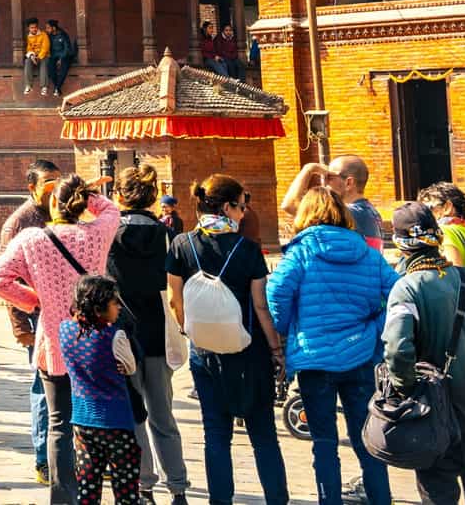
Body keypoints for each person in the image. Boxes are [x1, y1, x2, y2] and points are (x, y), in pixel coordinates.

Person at [0, 173, 121, 505]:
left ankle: (62, 498)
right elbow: (111, 210)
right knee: (93, 424)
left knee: (59, 425)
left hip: (54, 347)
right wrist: (88, 192)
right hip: (94, 347)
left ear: (52, 203)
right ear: (78, 204)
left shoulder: (32, 239)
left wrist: (34, 300)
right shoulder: (96, 234)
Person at [266, 186, 397, 505]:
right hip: (360, 356)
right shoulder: (366, 252)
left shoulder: (300, 251)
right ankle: (381, 499)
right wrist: (374, 329)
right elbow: (398, 295)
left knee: (323, 443)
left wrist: (286, 329)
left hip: (314, 360)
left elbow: (276, 293)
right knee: (366, 439)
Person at [167, 174, 288, 505]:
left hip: (205, 352)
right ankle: (277, 499)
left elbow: (176, 301)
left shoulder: (181, 244)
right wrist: (277, 350)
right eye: (241, 206)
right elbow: (261, 306)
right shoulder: (247, 250)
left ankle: (220, 501)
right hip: (250, 352)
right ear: (226, 207)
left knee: (216, 434)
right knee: (263, 435)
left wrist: (192, 331)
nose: (243, 212)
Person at [384, 202, 465, 505]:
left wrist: (407, 390)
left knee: (439, 497)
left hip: (436, 421)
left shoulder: (407, 288)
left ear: (400, 244)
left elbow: (398, 350)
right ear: (437, 236)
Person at [107, 163, 189, 505]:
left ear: (120, 195)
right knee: (163, 416)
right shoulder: (168, 233)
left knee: (134, 416)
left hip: (122, 335)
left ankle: (144, 485)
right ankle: (179, 487)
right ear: (154, 196)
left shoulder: (108, 233)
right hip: (159, 333)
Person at [0, 159, 62, 487]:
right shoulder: (20, 223)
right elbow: (4, 277)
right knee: (42, 389)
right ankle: (42, 458)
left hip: (68, 316)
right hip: (37, 319)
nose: (54, 186)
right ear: (32, 187)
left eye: (57, 180)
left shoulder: (64, 212)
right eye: (48, 181)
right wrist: (21, 323)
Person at [59, 274, 141, 505]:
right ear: (99, 308)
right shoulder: (115, 335)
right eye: (114, 302)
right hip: (116, 422)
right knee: (125, 489)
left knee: (88, 486)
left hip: (82, 421)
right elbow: (130, 367)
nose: (118, 307)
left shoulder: (65, 330)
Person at [281, 156, 382, 250]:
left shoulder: (348, 213)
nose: (324, 183)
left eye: (329, 177)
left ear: (349, 183)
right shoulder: (369, 211)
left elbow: (290, 205)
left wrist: (309, 169)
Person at [46, 20, 79, 96]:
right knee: (50, 67)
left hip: (65, 56)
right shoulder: (49, 36)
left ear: (54, 28)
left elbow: (67, 48)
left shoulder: (63, 34)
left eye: (48, 28)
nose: (46, 30)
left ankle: (57, 88)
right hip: (54, 56)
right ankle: (57, 88)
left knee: (64, 66)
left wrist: (61, 58)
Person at [22, 16, 52, 96]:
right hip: (34, 56)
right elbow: (29, 48)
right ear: (29, 28)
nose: (34, 29)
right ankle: (28, 85)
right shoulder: (29, 37)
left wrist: (38, 57)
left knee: (44, 62)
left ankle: (44, 87)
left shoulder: (43, 35)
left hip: (44, 56)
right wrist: (32, 56)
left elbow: (45, 48)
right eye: (32, 28)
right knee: (27, 61)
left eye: (35, 27)